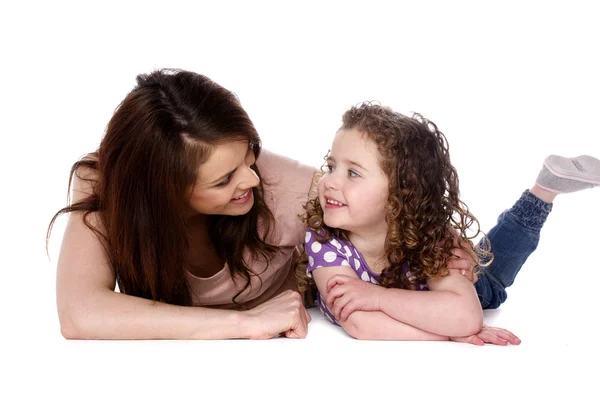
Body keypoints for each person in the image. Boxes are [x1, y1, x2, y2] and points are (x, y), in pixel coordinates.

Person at [46, 68, 598, 341]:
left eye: (250, 158)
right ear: (164, 192)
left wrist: (445, 246)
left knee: (488, 271)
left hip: (413, 286)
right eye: (225, 179)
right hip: (393, 302)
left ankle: (540, 196)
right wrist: (242, 326)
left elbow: (386, 199)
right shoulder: (104, 194)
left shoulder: (286, 189)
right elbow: (80, 314)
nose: (251, 181)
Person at [301, 103, 600, 344]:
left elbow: (467, 314)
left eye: (352, 173)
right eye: (331, 166)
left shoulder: (426, 235)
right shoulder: (324, 239)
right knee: (483, 257)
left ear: (399, 195)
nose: (329, 181)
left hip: (473, 286)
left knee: (491, 277)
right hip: (435, 307)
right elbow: (361, 323)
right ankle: (543, 190)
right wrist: (451, 334)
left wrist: (377, 297)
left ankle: (542, 192)